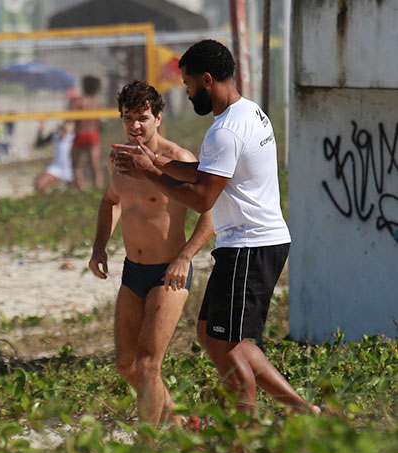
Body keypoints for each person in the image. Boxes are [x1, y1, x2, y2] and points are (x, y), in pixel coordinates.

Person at [112, 40, 321, 416]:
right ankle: (301, 411)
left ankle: (246, 431)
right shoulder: (249, 113)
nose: (188, 92)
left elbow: (202, 198)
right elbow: (207, 173)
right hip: (249, 244)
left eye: (189, 84)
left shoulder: (224, 130)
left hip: (249, 244)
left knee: (230, 345)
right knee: (210, 334)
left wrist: (151, 174)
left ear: (206, 80)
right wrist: (157, 162)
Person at [89, 80, 213, 426]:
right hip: (133, 272)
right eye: (128, 118)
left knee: (147, 365)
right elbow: (110, 202)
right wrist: (99, 247)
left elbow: (210, 213)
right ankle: (180, 422)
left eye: (143, 117)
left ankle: (148, 447)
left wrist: (185, 257)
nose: (135, 126)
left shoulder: (179, 160)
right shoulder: (120, 160)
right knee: (127, 366)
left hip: (168, 273)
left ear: (159, 117)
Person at [71, 75, 104, 189]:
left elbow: (71, 119)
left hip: (80, 133)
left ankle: (79, 188)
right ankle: (98, 188)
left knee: (75, 164)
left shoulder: (78, 102)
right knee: (95, 166)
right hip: (92, 134)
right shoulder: (97, 103)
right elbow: (99, 122)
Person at [33, 120, 75, 193]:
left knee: (77, 190)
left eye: (64, 130)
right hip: (56, 168)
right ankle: (47, 202)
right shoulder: (55, 135)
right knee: (39, 185)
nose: (61, 132)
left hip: (71, 168)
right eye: (60, 129)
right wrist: (41, 128)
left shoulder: (73, 137)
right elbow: (39, 144)